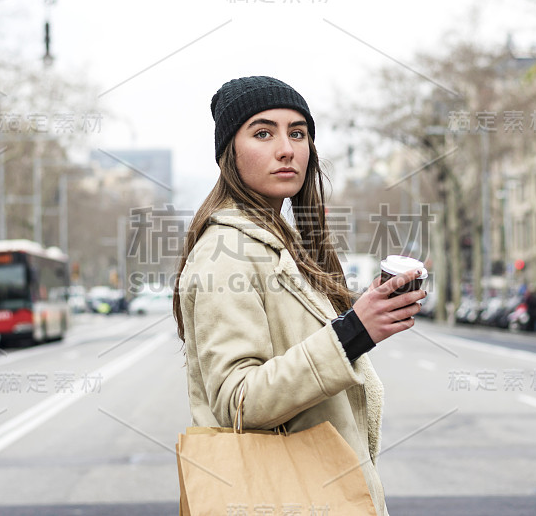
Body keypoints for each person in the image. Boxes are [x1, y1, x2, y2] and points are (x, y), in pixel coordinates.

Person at [173, 76, 425, 516]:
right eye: (263, 133)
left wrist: (365, 315)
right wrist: (352, 334)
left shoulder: (282, 244)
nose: (287, 148)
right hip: (281, 496)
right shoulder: (225, 253)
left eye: (298, 133)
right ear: (228, 154)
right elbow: (239, 400)